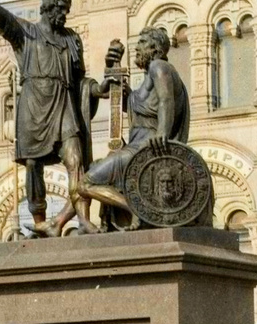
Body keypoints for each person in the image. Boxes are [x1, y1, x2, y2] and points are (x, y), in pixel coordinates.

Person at [0, 0, 121, 237]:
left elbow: (81, 80)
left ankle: (83, 219)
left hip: (64, 104)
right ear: (47, 9)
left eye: (66, 11)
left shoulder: (71, 39)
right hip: (34, 107)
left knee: (75, 160)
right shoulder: (25, 33)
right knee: (34, 166)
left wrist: (100, 89)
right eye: (60, 9)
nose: (64, 15)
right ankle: (42, 222)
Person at [72, 27, 190, 232]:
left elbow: (166, 100)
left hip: (146, 147)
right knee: (94, 168)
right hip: (138, 145)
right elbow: (144, 111)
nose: (137, 47)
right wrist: (119, 84)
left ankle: (135, 208)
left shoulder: (159, 67)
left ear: (156, 48)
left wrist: (163, 132)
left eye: (143, 42)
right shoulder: (149, 76)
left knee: (85, 183)